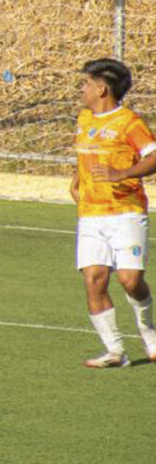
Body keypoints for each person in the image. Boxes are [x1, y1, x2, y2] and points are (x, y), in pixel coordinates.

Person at [72, 58, 156, 368]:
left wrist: (122, 174)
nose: (82, 89)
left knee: (130, 280)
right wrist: (76, 182)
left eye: (86, 84)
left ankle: (149, 333)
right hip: (90, 215)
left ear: (102, 88)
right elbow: (85, 157)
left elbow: (153, 156)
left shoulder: (129, 122)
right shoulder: (83, 119)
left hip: (126, 211)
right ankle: (114, 351)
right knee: (94, 280)